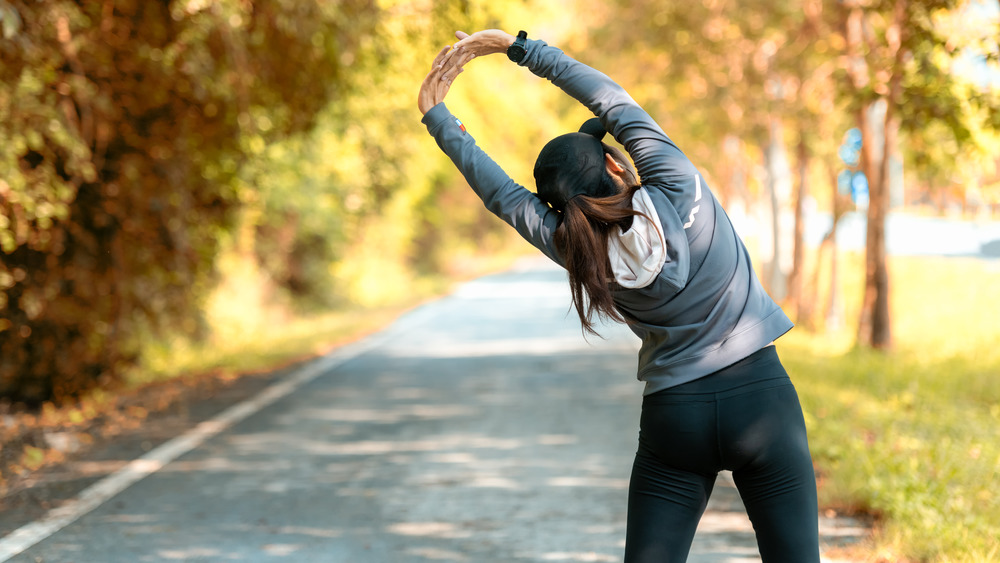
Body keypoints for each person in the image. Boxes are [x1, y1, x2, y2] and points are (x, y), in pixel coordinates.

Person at [417, 29, 821, 563]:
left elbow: (502, 196)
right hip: (761, 400)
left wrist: (438, 116)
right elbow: (609, 98)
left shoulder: (575, 249)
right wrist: (519, 48)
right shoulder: (675, 184)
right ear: (613, 165)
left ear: (561, 209)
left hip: (675, 419)